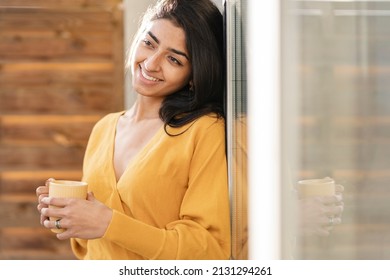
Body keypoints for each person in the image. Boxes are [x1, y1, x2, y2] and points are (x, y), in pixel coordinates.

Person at [36, 0, 231, 260]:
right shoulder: (105, 128)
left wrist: (108, 223)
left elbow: (209, 249)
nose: (150, 64)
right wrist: (67, 216)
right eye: (149, 43)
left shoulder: (204, 131)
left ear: (194, 75)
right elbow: (90, 247)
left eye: (173, 59)